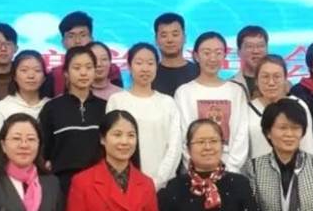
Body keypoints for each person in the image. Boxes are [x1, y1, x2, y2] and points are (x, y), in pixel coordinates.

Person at [106, 42, 182, 189]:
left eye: (150, 63)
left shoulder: (167, 102)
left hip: (163, 184)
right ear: (129, 66)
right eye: (139, 63)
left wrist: (158, 181)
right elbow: (112, 143)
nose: (145, 68)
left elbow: (174, 146)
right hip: (125, 183)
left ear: (156, 67)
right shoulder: (117, 100)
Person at [173, 31, 250, 173]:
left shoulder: (236, 91)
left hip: (231, 171)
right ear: (196, 56)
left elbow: (242, 134)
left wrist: (230, 168)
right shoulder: (184, 92)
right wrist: (197, 165)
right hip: (195, 172)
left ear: (224, 55)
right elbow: (182, 135)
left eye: (218, 53)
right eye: (206, 53)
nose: (212, 58)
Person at [39, 45, 108, 196]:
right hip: (62, 186)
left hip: (99, 184)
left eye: (89, 67)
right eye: (77, 68)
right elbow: (43, 151)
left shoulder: (105, 107)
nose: (83, 73)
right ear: (66, 73)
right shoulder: (52, 108)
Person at [0, 50, 49, 172]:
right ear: (14, 76)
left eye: (37, 70)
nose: (31, 75)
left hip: (44, 175)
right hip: (8, 176)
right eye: (24, 70)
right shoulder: (2, 107)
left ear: (44, 77)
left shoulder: (51, 106)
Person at [247, 57, 313, 160]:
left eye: (277, 76)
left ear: (285, 79)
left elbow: (308, 147)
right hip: (257, 168)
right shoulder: (247, 109)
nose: (271, 83)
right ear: (256, 80)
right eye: (265, 77)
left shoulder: (299, 105)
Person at [49, 11, 122, 96]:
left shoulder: (110, 70)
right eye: (71, 36)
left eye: (83, 35)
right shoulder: (56, 75)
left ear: (92, 39)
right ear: (63, 42)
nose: (77, 41)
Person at [152, 13, 199, 97]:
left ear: (184, 38)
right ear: (156, 40)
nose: (170, 40)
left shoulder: (200, 73)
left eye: (175, 35)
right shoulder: (149, 74)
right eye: (164, 35)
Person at [230, 25, 269, 100]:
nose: (256, 51)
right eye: (250, 46)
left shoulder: (282, 85)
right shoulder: (229, 85)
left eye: (260, 46)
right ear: (239, 52)